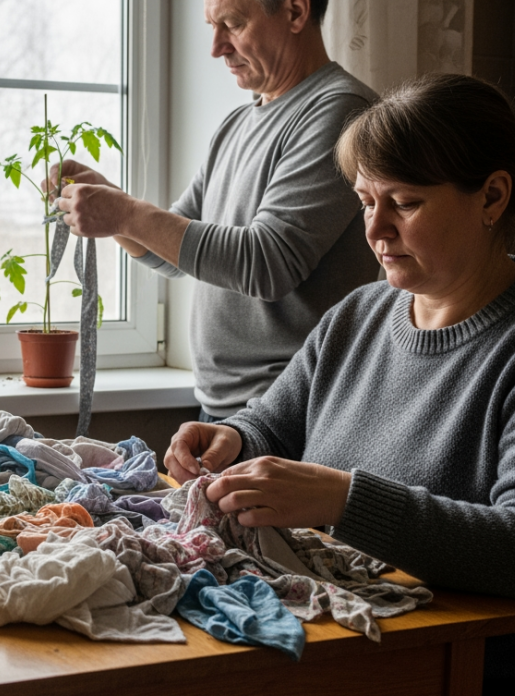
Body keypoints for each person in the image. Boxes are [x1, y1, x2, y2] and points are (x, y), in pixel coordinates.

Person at [163, 73, 515, 693]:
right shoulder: (359, 314)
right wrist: (231, 438)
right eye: (365, 200)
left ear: (492, 197)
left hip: (475, 674)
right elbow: (272, 423)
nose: (375, 230)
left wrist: (343, 499)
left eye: (405, 203)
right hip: (356, 651)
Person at [52, 0, 380, 421]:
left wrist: (125, 213)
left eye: (232, 24)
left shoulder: (341, 112)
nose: (216, 47)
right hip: (222, 410)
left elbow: (268, 263)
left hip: (289, 415)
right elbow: (170, 253)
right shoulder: (236, 124)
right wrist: (109, 203)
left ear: (296, 12)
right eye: (211, 25)